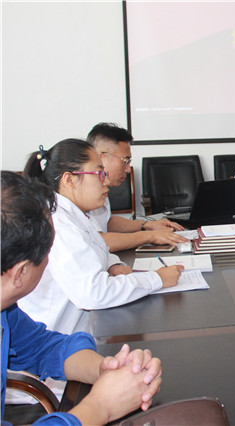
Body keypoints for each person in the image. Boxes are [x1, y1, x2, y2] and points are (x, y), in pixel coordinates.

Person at [1, 171, 163, 425]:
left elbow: (41, 347)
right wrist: (101, 406)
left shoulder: (5, 310)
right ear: (21, 272)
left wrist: (106, 368)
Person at [19, 139, 184, 334]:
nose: (105, 181)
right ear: (69, 180)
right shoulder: (59, 225)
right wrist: (157, 279)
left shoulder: (75, 213)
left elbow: (98, 248)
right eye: (99, 174)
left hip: (85, 328)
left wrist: (113, 265)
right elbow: (93, 293)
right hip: (60, 338)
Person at [86, 123, 187, 252]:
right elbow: (97, 241)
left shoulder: (100, 186)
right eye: (125, 161)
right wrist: (150, 236)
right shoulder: (83, 191)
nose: (128, 169)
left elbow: (107, 222)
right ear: (101, 157)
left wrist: (148, 225)